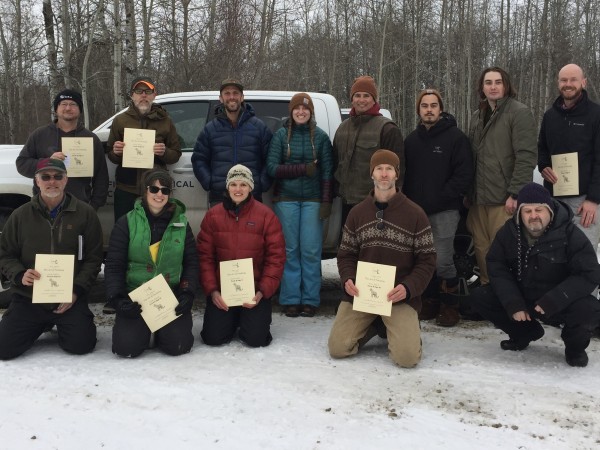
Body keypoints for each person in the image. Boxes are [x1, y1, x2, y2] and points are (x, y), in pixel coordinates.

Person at [472, 182, 600, 367]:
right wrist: (512, 302)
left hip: (557, 302)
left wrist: (555, 299)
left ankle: (574, 348)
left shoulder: (570, 234)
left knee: (589, 309)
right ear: (519, 213)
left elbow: (590, 273)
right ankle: (524, 333)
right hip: (524, 299)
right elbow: (496, 264)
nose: (533, 216)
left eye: (539, 210)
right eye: (527, 211)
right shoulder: (509, 232)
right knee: (480, 296)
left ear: (549, 210)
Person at [328, 150, 436, 368]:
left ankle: (401, 329)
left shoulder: (415, 214)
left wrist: (408, 288)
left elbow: (427, 260)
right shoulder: (357, 213)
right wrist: (348, 278)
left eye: (389, 169)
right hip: (363, 295)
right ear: (372, 174)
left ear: (397, 174)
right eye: (379, 169)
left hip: (397, 296)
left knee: (407, 359)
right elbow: (346, 254)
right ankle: (377, 325)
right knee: (338, 348)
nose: (384, 174)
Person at [0, 158, 103, 360]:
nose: (52, 182)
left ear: (66, 180)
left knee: (81, 345)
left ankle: (62, 323)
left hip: (69, 298)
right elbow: (4, 254)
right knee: (3, 349)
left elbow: (94, 258)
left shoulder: (85, 214)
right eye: (45, 177)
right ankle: (39, 323)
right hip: (29, 298)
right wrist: (20, 274)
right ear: (37, 181)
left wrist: (76, 291)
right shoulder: (20, 215)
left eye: (58, 176)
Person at [104, 169, 198, 358]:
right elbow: (114, 264)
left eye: (165, 190)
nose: (159, 194)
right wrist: (118, 299)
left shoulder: (181, 223)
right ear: (144, 191)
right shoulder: (126, 222)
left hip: (168, 296)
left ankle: (162, 331)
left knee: (178, 346)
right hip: (136, 297)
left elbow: (191, 262)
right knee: (126, 349)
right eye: (154, 189)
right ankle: (141, 329)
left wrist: (187, 293)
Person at [403, 89, 474, 327]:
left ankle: (450, 305)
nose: (429, 109)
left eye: (434, 105)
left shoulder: (455, 138)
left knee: (443, 258)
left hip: (445, 210)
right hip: (417, 212)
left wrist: (444, 196)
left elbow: (463, 174)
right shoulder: (411, 141)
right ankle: (430, 301)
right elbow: (406, 175)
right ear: (419, 110)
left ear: (440, 109)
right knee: (424, 258)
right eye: (424, 106)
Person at [197, 164, 285, 347]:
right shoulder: (213, 216)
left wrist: (262, 291)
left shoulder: (266, 216)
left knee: (256, 339)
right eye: (234, 184)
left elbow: (276, 258)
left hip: (254, 292)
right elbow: (205, 257)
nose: (238, 189)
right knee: (213, 338)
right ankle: (231, 319)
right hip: (222, 292)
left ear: (251, 187)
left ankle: (248, 319)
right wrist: (213, 291)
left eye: (243, 184)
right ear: (227, 187)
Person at [467, 67, 537, 285]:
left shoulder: (519, 112)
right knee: (482, 249)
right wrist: (469, 193)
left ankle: (511, 298)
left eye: (498, 82)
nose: (493, 86)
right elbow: (472, 156)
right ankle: (490, 295)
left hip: (503, 198)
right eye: (488, 82)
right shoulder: (477, 116)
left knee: (505, 251)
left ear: (506, 85)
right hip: (479, 199)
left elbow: (526, 156)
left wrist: (516, 193)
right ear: (482, 87)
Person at [267, 93, 333, 318]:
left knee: (311, 250)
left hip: (313, 201)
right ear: (291, 112)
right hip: (286, 200)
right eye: (297, 109)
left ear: (311, 112)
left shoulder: (322, 138)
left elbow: (326, 174)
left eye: (305, 109)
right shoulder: (281, 136)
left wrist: (326, 202)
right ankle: (291, 299)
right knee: (290, 250)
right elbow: (272, 169)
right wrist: (303, 169)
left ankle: (311, 300)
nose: (301, 112)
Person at [538, 63, 600, 249]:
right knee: (555, 254)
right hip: (554, 199)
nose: (568, 84)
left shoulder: (596, 114)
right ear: (558, 83)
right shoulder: (550, 116)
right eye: (564, 80)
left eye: (573, 79)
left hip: (584, 202)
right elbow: (543, 149)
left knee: (583, 252)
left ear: (583, 82)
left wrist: (593, 199)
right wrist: (543, 166)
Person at [16, 89, 109, 210]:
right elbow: (22, 164)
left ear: (80, 109)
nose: (68, 108)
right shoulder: (40, 135)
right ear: (56, 109)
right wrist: (47, 162)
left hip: (80, 206)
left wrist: (95, 205)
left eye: (73, 104)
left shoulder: (91, 138)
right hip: (44, 206)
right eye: (64, 104)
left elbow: (101, 176)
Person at [333, 75, 404, 229]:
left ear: (374, 99)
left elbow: (399, 172)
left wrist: (391, 202)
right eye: (357, 95)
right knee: (349, 249)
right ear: (352, 99)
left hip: (375, 204)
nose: (361, 100)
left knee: (372, 251)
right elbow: (335, 163)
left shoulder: (387, 129)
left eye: (366, 96)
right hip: (347, 203)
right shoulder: (342, 129)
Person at [107, 76, 182, 221]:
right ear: (132, 95)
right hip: (126, 188)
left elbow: (176, 154)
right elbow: (110, 154)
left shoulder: (165, 120)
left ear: (154, 95)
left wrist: (164, 152)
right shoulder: (120, 120)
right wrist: (116, 152)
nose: (143, 95)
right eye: (139, 91)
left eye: (148, 91)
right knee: (124, 231)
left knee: (154, 232)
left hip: (155, 189)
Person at [191, 78, 273, 206]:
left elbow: (271, 158)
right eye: (227, 93)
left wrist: (261, 183)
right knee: (218, 227)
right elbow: (198, 159)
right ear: (221, 98)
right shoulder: (210, 129)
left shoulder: (259, 127)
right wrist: (210, 182)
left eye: (235, 93)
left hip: (251, 196)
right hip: (220, 196)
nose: (231, 97)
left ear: (242, 97)